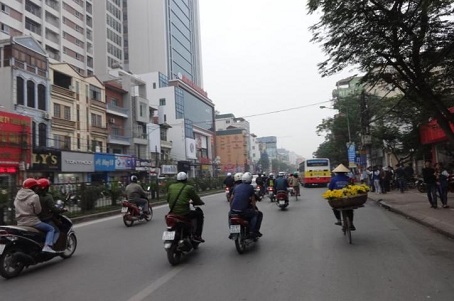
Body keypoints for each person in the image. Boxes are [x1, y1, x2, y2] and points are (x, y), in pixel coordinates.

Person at [14, 178, 57, 253]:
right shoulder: (34, 196)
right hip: (33, 222)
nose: (38, 188)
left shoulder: (18, 196)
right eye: (36, 187)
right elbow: (38, 211)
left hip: (20, 223)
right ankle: (47, 246)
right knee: (51, 229)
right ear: (33, 187)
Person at [167, 172, 205, 242]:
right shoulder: (189, 188)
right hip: (184, 213)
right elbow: (196, 199)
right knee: (199, 214)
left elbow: (168, 199)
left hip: (173, 212)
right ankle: (197, 235)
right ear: (186, 179)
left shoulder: (171, 187)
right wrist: (200, 203)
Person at [229, 172, 263, 238]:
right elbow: (253, 200)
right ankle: (252, 231)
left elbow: (231, 198)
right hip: (243, 211)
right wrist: (253, 209)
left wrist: (231, 208)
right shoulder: (250, 187)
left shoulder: (236, 187)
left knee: (230, 215)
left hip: (233, 210)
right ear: (250, 180)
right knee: (257, 214)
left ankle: (232, 232)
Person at [37, 178, 63, 247]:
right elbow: (54, 209)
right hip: (45, 219)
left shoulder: (34, 196)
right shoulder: (48, 197)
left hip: (36, 219)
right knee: (56, 231)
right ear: (46, 188)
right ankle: (51, 246)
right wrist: (61, 210)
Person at [329, 164, 356, 230]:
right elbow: (353, 187)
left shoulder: (333, 179)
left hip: (338, 198)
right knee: (350, 210)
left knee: (334, 207)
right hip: (348, 197)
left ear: (336, 172)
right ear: (345, 172)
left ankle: (339, 220)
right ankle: (351, 223)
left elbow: (330, 188)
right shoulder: (348, 179)